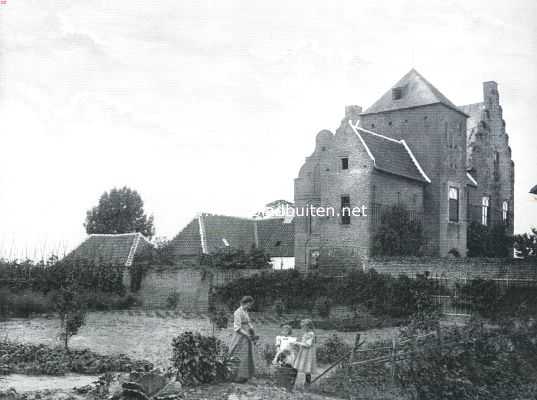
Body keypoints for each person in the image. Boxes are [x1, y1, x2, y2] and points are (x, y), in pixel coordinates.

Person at [229, 296, 255, 383]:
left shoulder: (245, 311)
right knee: (238, 354)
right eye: (249, 304)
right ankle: (236, 376)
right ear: (245, 303)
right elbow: (237, 327)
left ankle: (244, 376)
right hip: (240, 336)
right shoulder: (237, 312)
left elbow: (248, 322)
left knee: (246, 355)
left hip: (247, 336)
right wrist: (247, 334)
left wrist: (252, 329)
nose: (250, 306)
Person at [293, 319, 317, 386]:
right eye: (302, 327)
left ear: (308, 326)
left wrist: (297, 343)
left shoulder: (311, 334)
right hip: (303, 351)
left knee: (307, 368)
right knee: (296, 366)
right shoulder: (306, 333)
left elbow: (307, 344)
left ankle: (307, 384)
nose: (302, 328)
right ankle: (292, 381)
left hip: (308, 353)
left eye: (303, 326)